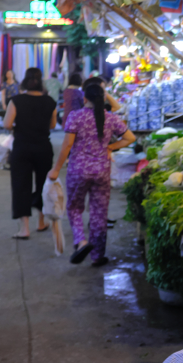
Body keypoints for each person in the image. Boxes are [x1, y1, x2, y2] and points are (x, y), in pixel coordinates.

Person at [48, 83, 135, 266]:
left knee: (74, 208)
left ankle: (81, 241)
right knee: (99, 213)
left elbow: (67, 146)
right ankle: (97, 256)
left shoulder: (75, 116)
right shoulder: (110, 118)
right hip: (102, 171)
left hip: (78, 170)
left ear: (85, 99)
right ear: (102, 99)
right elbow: (130, 138)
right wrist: (110, 146)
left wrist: (56, 169)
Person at [3, 68, 57, 239]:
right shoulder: (50, 101)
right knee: (43, 186)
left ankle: (24, 229)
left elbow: (7, 124)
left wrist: (20, 126)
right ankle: (41, 223)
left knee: (21, 186)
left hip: (22, 148)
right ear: (41, 82)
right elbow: (53, 125)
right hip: (43, 147)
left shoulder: (16, 100)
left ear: (25, 81)